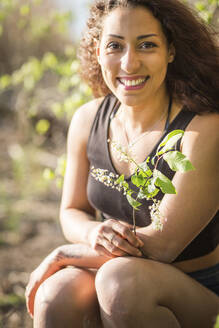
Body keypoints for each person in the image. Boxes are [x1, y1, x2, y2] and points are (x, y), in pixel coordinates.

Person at [25, 0, 219, 327]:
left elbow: (164, 245)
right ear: (97, 51)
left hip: (195, 287)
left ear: (171, 51)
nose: (129, 63)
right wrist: (92, 232)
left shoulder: (204, 126)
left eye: (147, 45)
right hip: (111, 269)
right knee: (54, 295)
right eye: (115, 45)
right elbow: (72, 210)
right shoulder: (87, 119)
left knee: (120, 283)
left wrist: (64, 254)